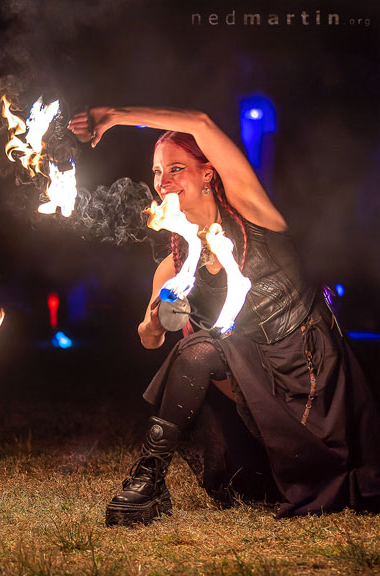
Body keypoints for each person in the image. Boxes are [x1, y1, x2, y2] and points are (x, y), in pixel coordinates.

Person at [69, 107, 380, 526]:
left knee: (207, 347)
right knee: (199, 349)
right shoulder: (173, 264)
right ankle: (149, 479)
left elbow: (199, 121)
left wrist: (114, 115)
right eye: (158, 172)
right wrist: (156, 322)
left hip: (310, 379)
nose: (163, 181)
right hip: (252, 391)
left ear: (208, 175)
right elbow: (150, 340)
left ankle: (159, 478)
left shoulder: (253, 214)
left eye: (177, 168)